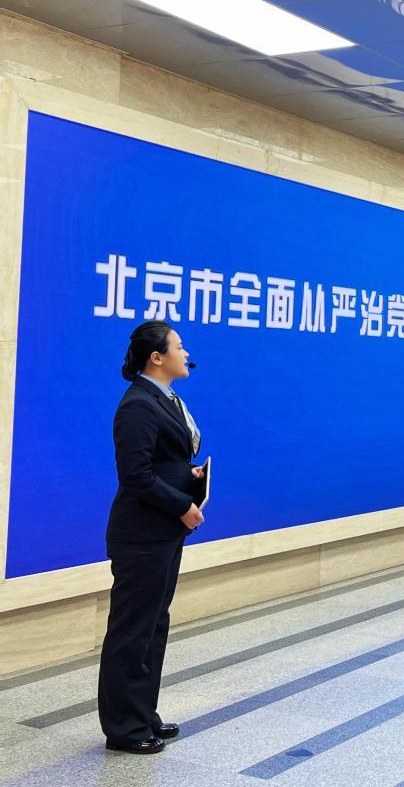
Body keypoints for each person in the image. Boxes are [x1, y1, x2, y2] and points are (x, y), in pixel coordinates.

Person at [99, 321, 206, 754]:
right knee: (132, 631)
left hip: (163, 533)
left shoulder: (165, 399)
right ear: (156, 357)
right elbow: (136, 476)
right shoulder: (138, 405)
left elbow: (163, 461)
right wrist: (181, 505)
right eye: (179, 346)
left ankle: (143, 714)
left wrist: (188, 476)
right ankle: (124, 728)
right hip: (141, 536)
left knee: (153, 626)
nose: (186, 353)